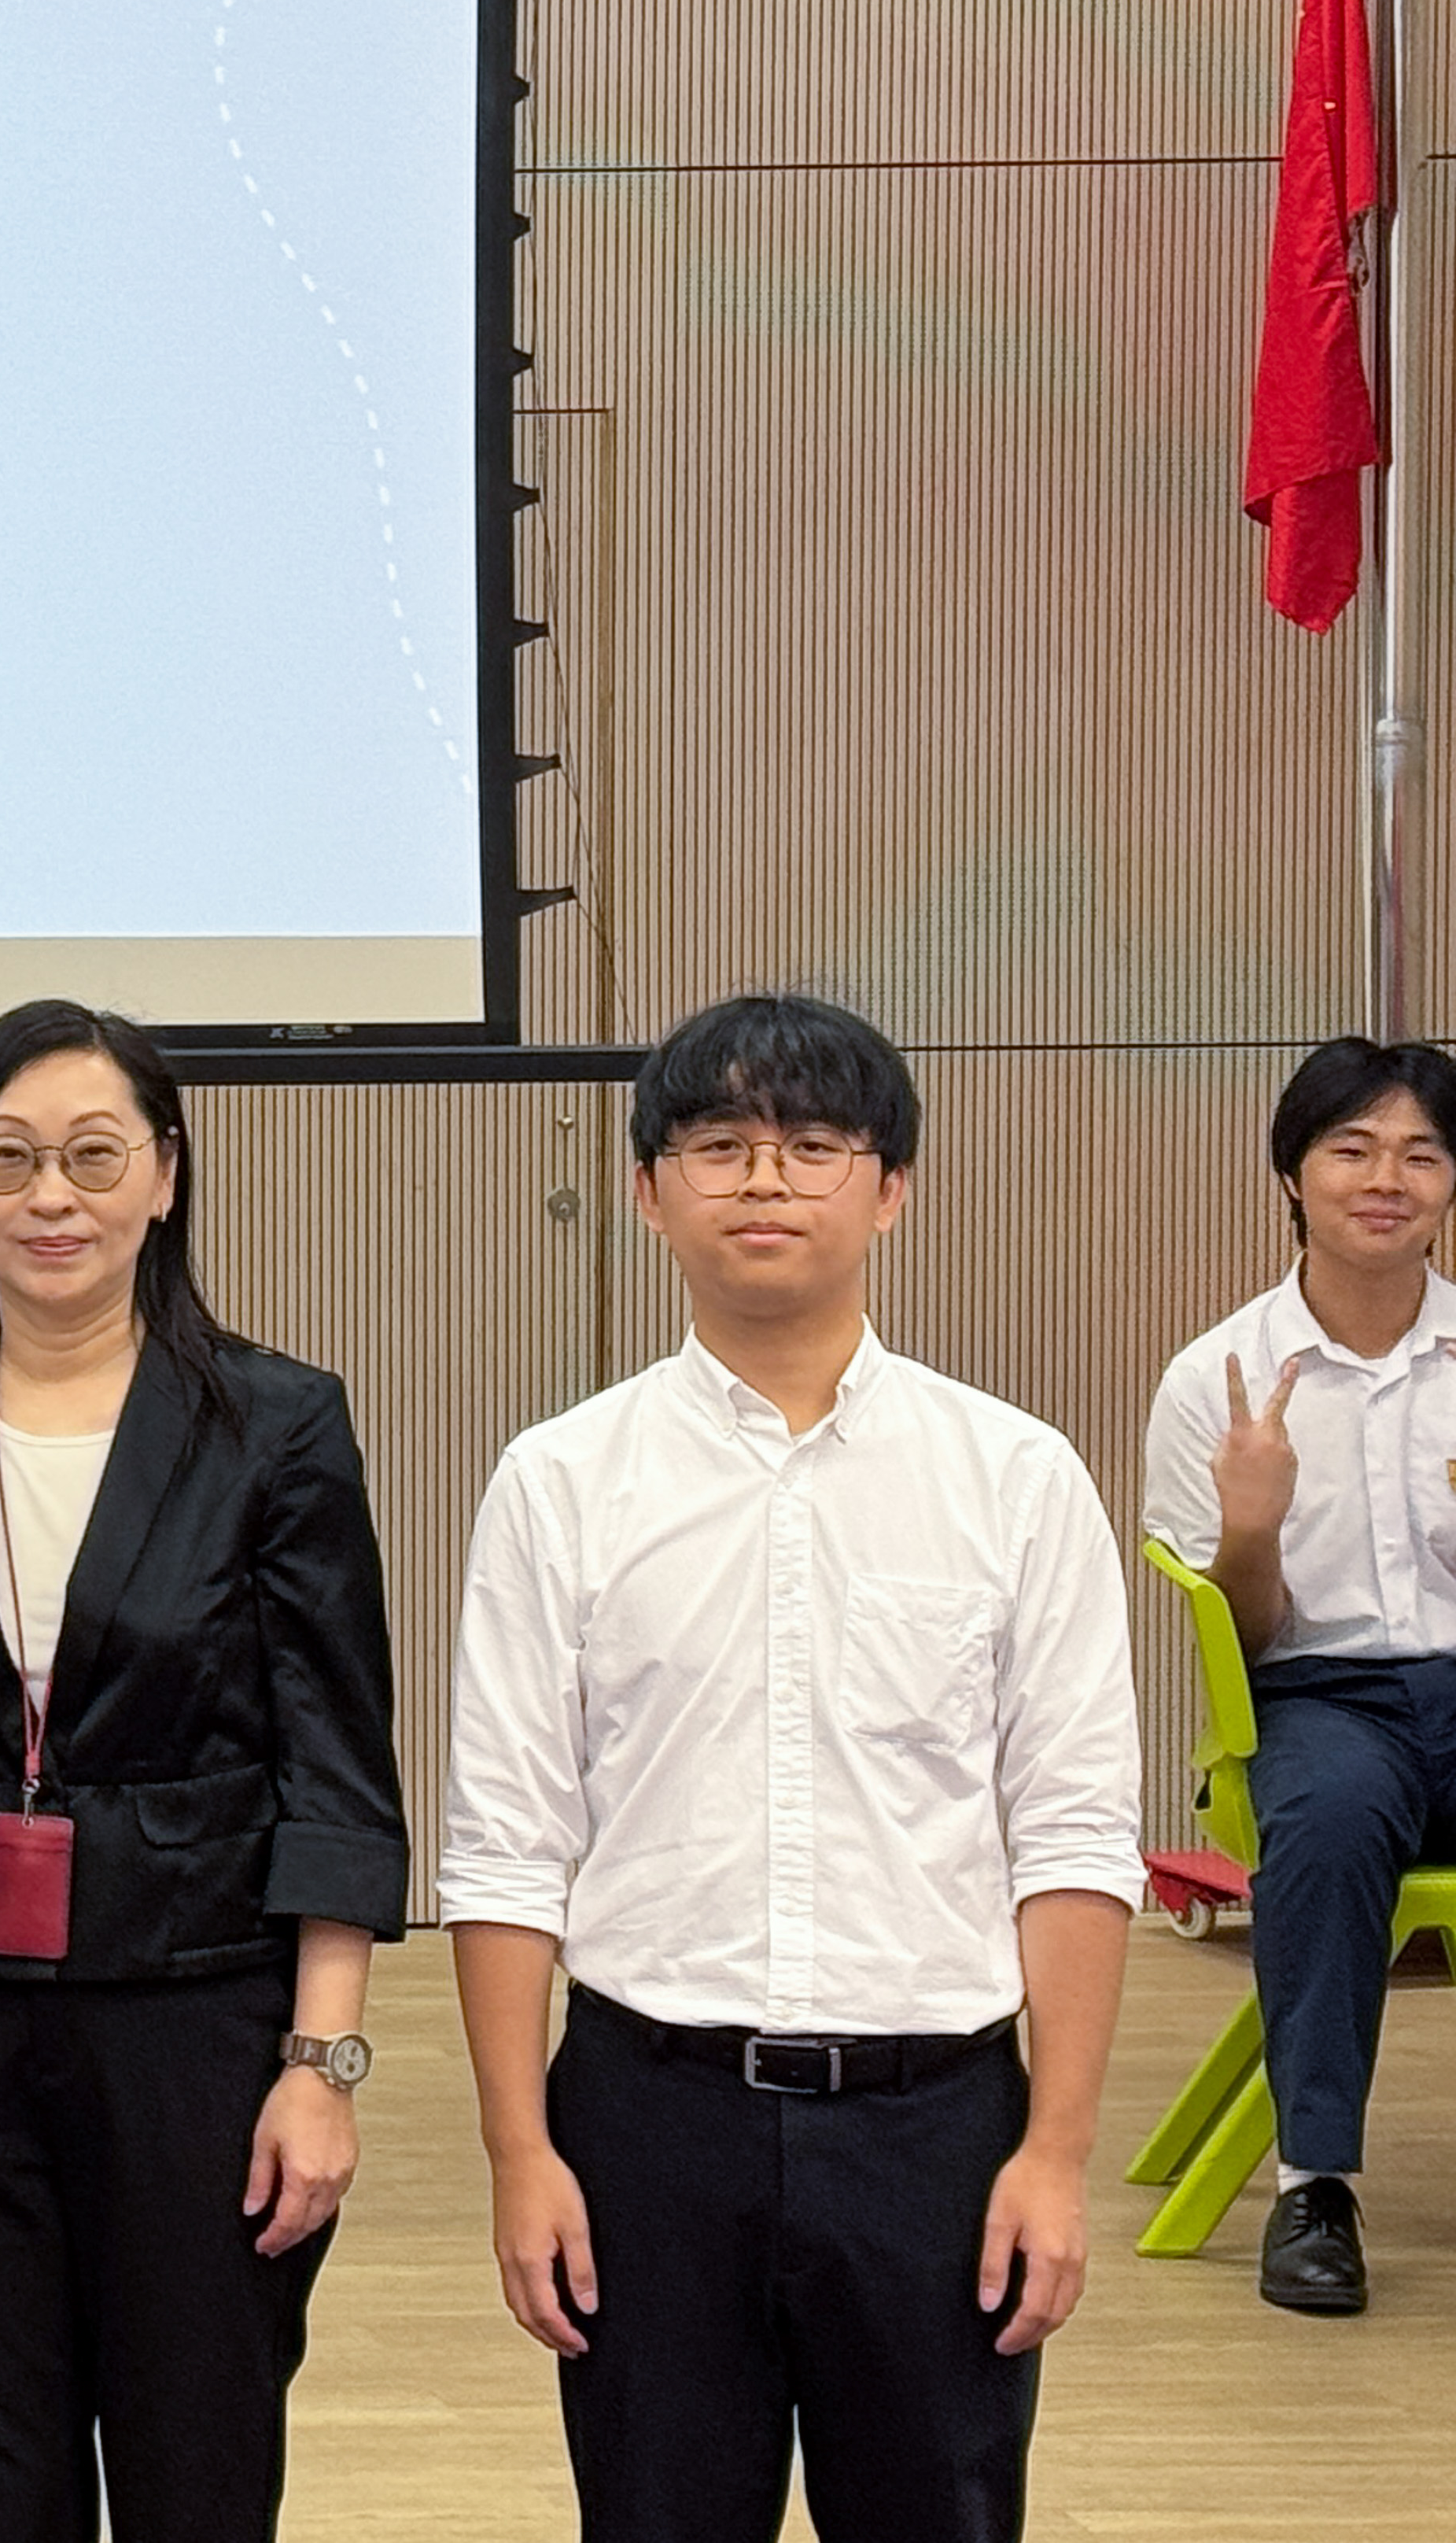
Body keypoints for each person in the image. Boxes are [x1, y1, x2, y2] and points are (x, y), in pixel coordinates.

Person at [445, 992, 1145, 2543]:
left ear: (890, 1190)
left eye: (814, 1144)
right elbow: (505, 1843)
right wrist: (519, 2151)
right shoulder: (560, 1482)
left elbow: (1076, 1836)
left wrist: (1056, 2151)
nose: (765, 1178)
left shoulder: (1016, 1478)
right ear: (649, 1192)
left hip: (934, 2124)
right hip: (647, 2119)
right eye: (719, 1145)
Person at [0, 1000, 407, 2543]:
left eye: (92, 1155)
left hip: (196, 2024)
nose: (50, 1196)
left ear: (166, 1176)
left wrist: (322, 2063)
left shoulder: (276, 1423)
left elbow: (337, 1762)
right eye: (8, 1158)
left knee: (201, 2474)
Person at [1139, 1034, 1456, 2314]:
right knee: (1327, 1824)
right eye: (1352, 1148)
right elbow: (1250, 1638)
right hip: (1321, 1697)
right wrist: (1252, 1524)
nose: (1387, 1179)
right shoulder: (1211, 1381)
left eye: (1421, 1154)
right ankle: (1315, 2187)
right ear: (1293, 1173)